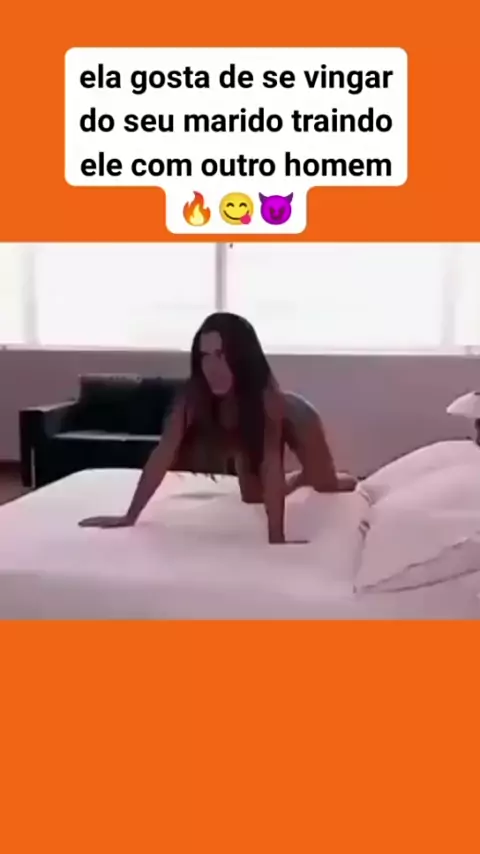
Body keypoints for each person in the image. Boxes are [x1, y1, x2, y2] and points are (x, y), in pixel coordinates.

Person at [79, 313, 357, 544]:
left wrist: (277, 538)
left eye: (222, 355)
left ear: (241, 357)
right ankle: (298, 479)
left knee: (327, 485)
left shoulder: (265, 397)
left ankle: (319, 477)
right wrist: (129, 517)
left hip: (297, 419)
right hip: (248, 434)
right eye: (205, 356)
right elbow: (163, 454)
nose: (213, 366)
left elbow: (271, 461)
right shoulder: (192, 399)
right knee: (252, 498)